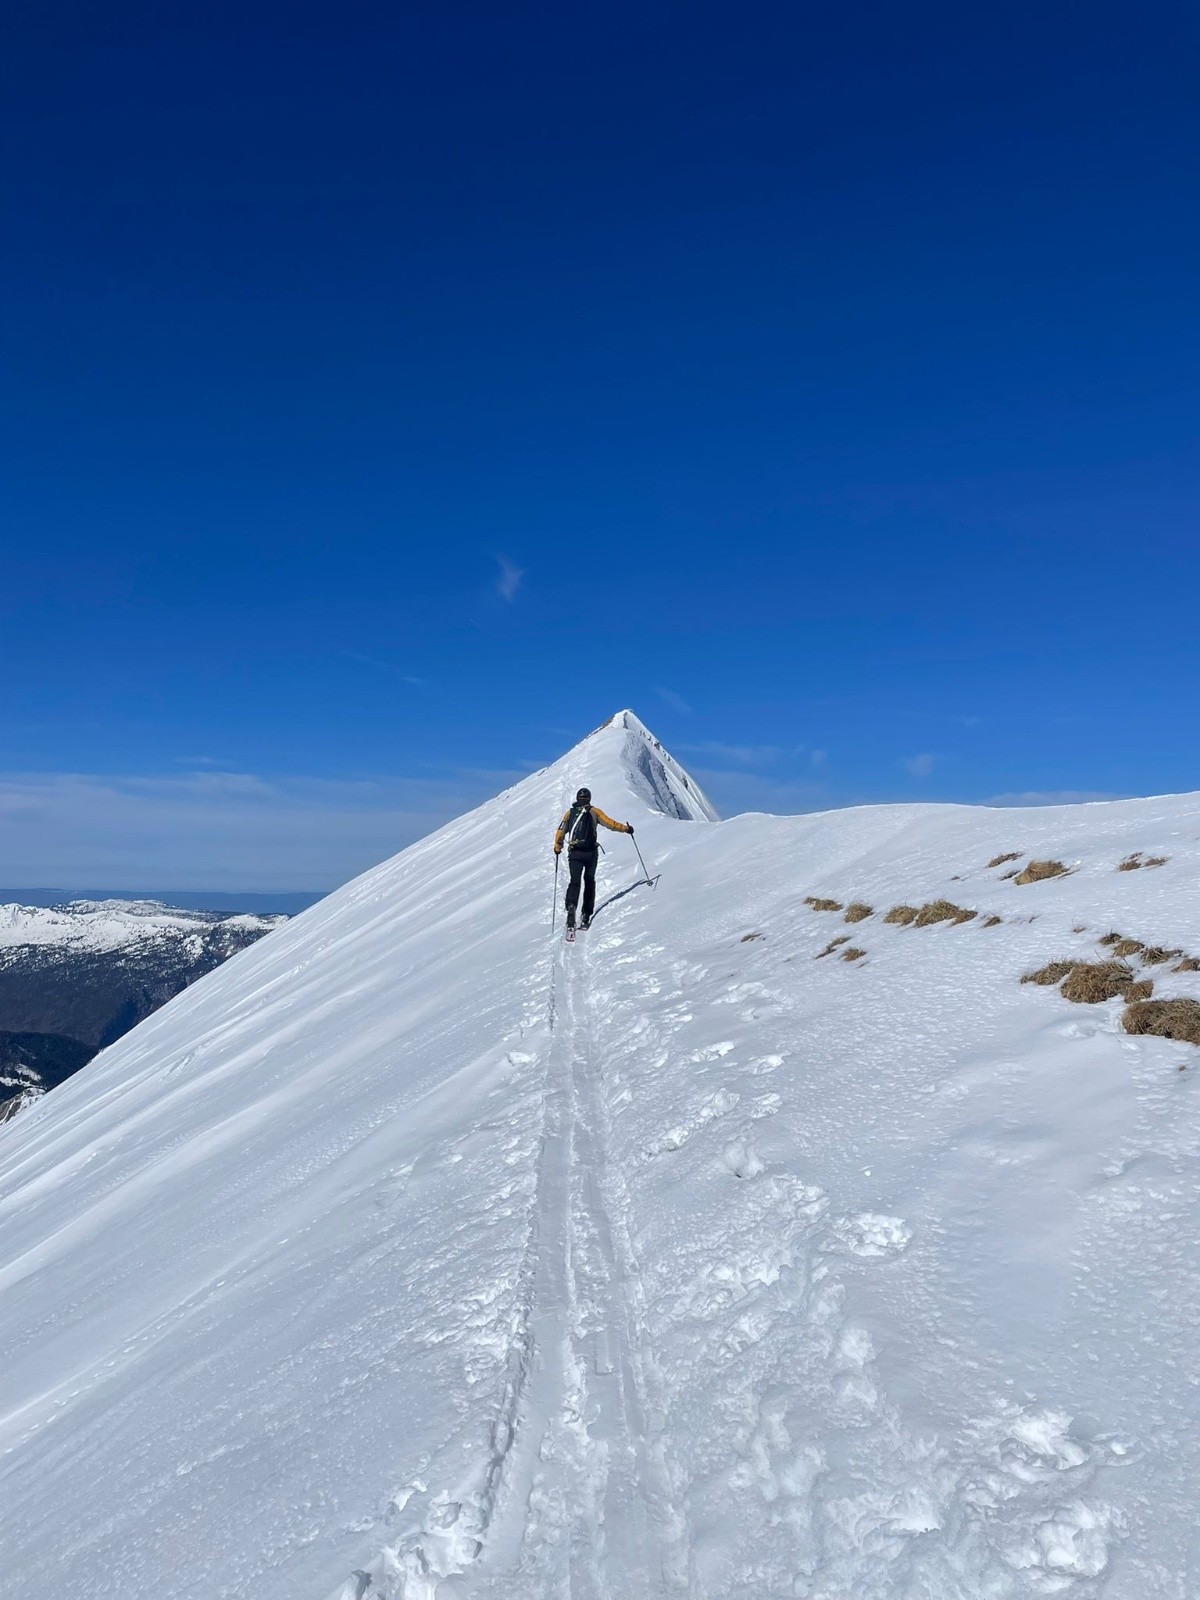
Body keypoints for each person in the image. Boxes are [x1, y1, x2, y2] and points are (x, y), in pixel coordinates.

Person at [553, 787, 634, 930]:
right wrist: (626, 829)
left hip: (575, 853)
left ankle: (571, 906)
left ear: (577, 798)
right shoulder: (595, 811)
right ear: (589, 798)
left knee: (575, 881)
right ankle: (586, 914)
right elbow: (610, 824)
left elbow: (561, 831)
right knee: (589, 881)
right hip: (590, 853)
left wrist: (558, 847)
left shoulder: (569, 813)